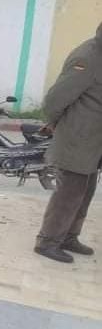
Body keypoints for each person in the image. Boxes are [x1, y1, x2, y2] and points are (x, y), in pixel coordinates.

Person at [34, 24, 102, 263]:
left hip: (94, 142)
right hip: (77, 138)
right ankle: (48, 241)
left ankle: (69, 237)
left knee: (85, 192)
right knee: (69, 194)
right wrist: (54, 123)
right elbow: (56, 99)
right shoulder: (88, 57)